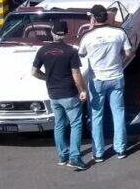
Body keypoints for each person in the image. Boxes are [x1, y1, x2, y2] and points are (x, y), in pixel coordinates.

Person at [79, 4, 133, 163]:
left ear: (94, 18)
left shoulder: (87, 36)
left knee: (96, 116)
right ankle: (121, 148)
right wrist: (119, 61)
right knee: (118, 113)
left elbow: (81, 53)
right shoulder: (119, 33)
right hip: (116, 77)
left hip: (97, 80)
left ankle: (98, 152)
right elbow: (129, 52)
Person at [31, 20, 87, 171]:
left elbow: (33, 72)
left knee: (59, 124)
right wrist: (82, 89)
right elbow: (76, 73)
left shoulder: (42, 50)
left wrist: (47, 77)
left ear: (52, 33)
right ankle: (74, 158)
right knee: (75, 124)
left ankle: (63, 156)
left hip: (53, 94)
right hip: (69, 93)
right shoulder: (71, 51)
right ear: (66, 34)